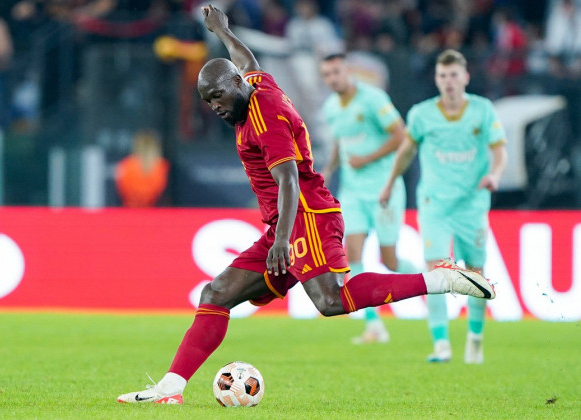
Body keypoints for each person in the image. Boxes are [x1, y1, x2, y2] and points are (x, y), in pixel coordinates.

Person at [117, 7, 495, 405]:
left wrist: (282, 240)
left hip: (305, 217)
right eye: (207, 100)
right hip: (286, 221)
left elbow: (289, 180)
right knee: (216, 293)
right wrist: (225, 32)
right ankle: (170, 389)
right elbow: (248, 61)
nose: (214, 105)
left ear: (234, 85)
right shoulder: (256, 87)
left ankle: (441, 279)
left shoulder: (266, 119)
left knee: (331, 301)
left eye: (217, 95)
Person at [379, 49, 508, 364]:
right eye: (442, 76)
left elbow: (499, 150)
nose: (448, 81)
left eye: (453, 75)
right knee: (436, 272)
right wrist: (388, 183)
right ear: (436, 79)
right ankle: (441, 344)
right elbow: (406, 151)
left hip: (472, 204)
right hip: (434, 204)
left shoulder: (483, 110)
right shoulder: (422, 114)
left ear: (465, 77)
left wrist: (494, 174)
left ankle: (475, 339)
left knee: (475, 273)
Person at [319, 53, 418, 345]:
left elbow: (401, 135)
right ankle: (374, 326)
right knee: (353, 255)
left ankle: (431, 275)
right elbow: (340, 141)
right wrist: (327, 170)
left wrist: (368, 158)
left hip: (384, 189)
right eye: (326, 74)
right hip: (352, 193)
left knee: (390, 261)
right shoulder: (331, 108)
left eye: (336, 72)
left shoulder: (373, 98)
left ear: (348, 71)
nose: (332, 79)